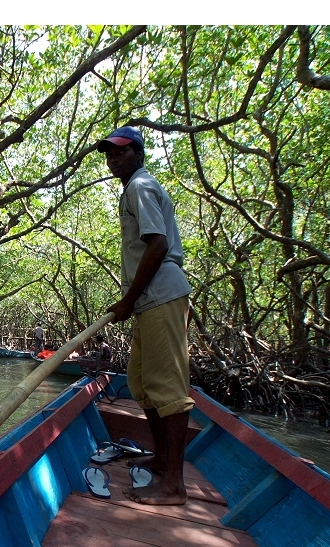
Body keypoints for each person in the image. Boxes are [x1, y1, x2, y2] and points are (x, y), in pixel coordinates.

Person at [98, 126, 194, 506]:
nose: (113, 159)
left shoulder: (139, 186)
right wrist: (131, 302)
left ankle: (173, 485)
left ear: (138, 154)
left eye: (121, 152)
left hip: (159, 296)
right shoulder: (134, 188)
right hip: (148, 302)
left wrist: (127, 301)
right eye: (109, 154)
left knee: (169, 391)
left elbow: (159, 244)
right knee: (141, 383)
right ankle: (164, 459)